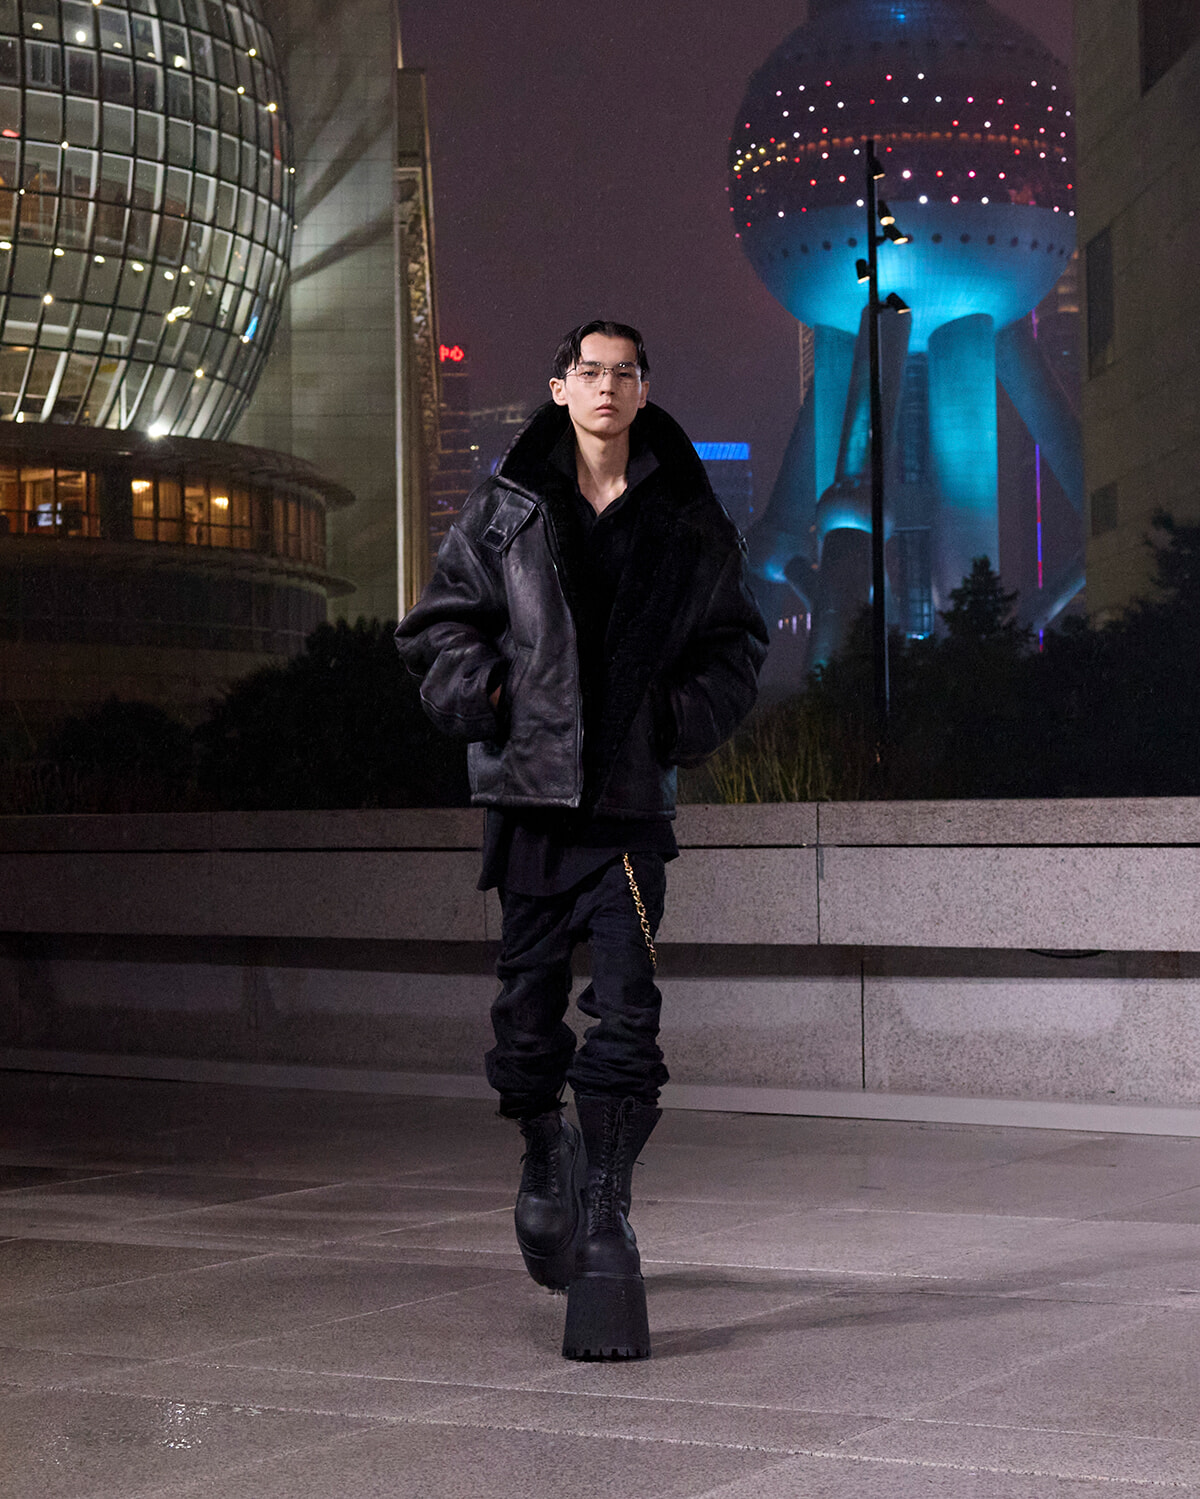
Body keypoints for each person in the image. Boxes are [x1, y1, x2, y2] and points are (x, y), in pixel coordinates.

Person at [396, 319, 767, 1359]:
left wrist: (675, 721)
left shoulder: (688, 516)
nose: (607, 387)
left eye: (624, 373)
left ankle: (607, 1211)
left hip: (631, 812)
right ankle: (541, 1146)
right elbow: (434, 629)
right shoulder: (505, 507)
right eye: (590, 372)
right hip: (530, 804)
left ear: (644, 390)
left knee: (628, 1017)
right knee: (525, 1022)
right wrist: (495, 694)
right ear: (560, 387)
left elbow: (737, 645)